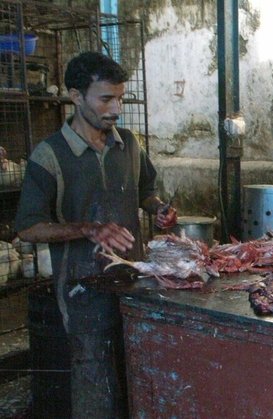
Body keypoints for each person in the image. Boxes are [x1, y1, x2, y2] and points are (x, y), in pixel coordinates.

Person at [14, 51, 177, 417]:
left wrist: (158, 209)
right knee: (95, 379)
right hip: (82, 291)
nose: (116, 108)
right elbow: (28, 227)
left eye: (119, 97)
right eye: (106, 99)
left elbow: (146, 190)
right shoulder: (49, 155)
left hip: (134, 283)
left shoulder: (129, 145)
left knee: (139, 371)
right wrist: (86, 228)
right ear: (75, 96)